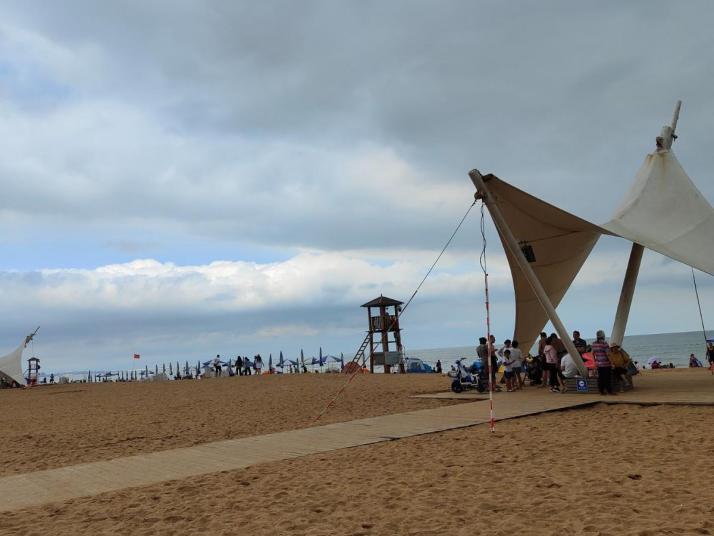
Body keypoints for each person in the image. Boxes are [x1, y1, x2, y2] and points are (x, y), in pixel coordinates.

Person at [592, 330, 614, 395]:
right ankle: (609, 391)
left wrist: (595, 362)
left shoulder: (594, 344)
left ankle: (601, 391)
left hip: (599, 364)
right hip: (606, 364)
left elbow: (592, 354)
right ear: (603, 336)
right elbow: (608, 354)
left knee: (601, 378)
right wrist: (612, 363)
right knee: (607, 378)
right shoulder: (604, 344)